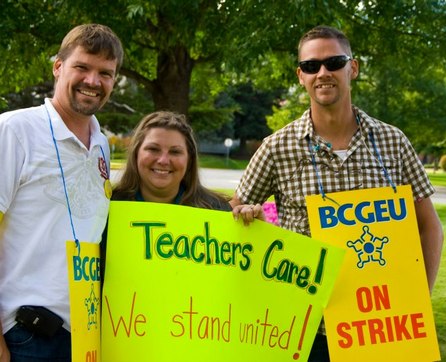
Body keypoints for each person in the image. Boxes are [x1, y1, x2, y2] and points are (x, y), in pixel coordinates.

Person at [231, 25, 443, 361]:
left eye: (334, 62)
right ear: (301, 76)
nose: (323, 73)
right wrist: (245, 218)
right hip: (304, 327)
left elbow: (429, 225)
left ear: (353, 68)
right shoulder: (277, 147)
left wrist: (418, 299)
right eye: (312, 66)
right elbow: (236, 211)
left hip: (380, 325)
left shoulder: (393, 141)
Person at [0, 24, 123, 361]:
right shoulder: (14, 130)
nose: (93, 81)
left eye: (105, 73)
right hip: (25, 335)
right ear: (58, 67)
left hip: (84, 335)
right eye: (82, 67)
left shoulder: (100, 144)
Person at [101, 111, 263, 273]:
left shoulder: (216, 212)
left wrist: (256, 232)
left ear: (189, 159)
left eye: (175, 152)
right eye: (153, 149)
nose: (163, 160)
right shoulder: (107, 210)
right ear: (136, 154)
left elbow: (244, 278)